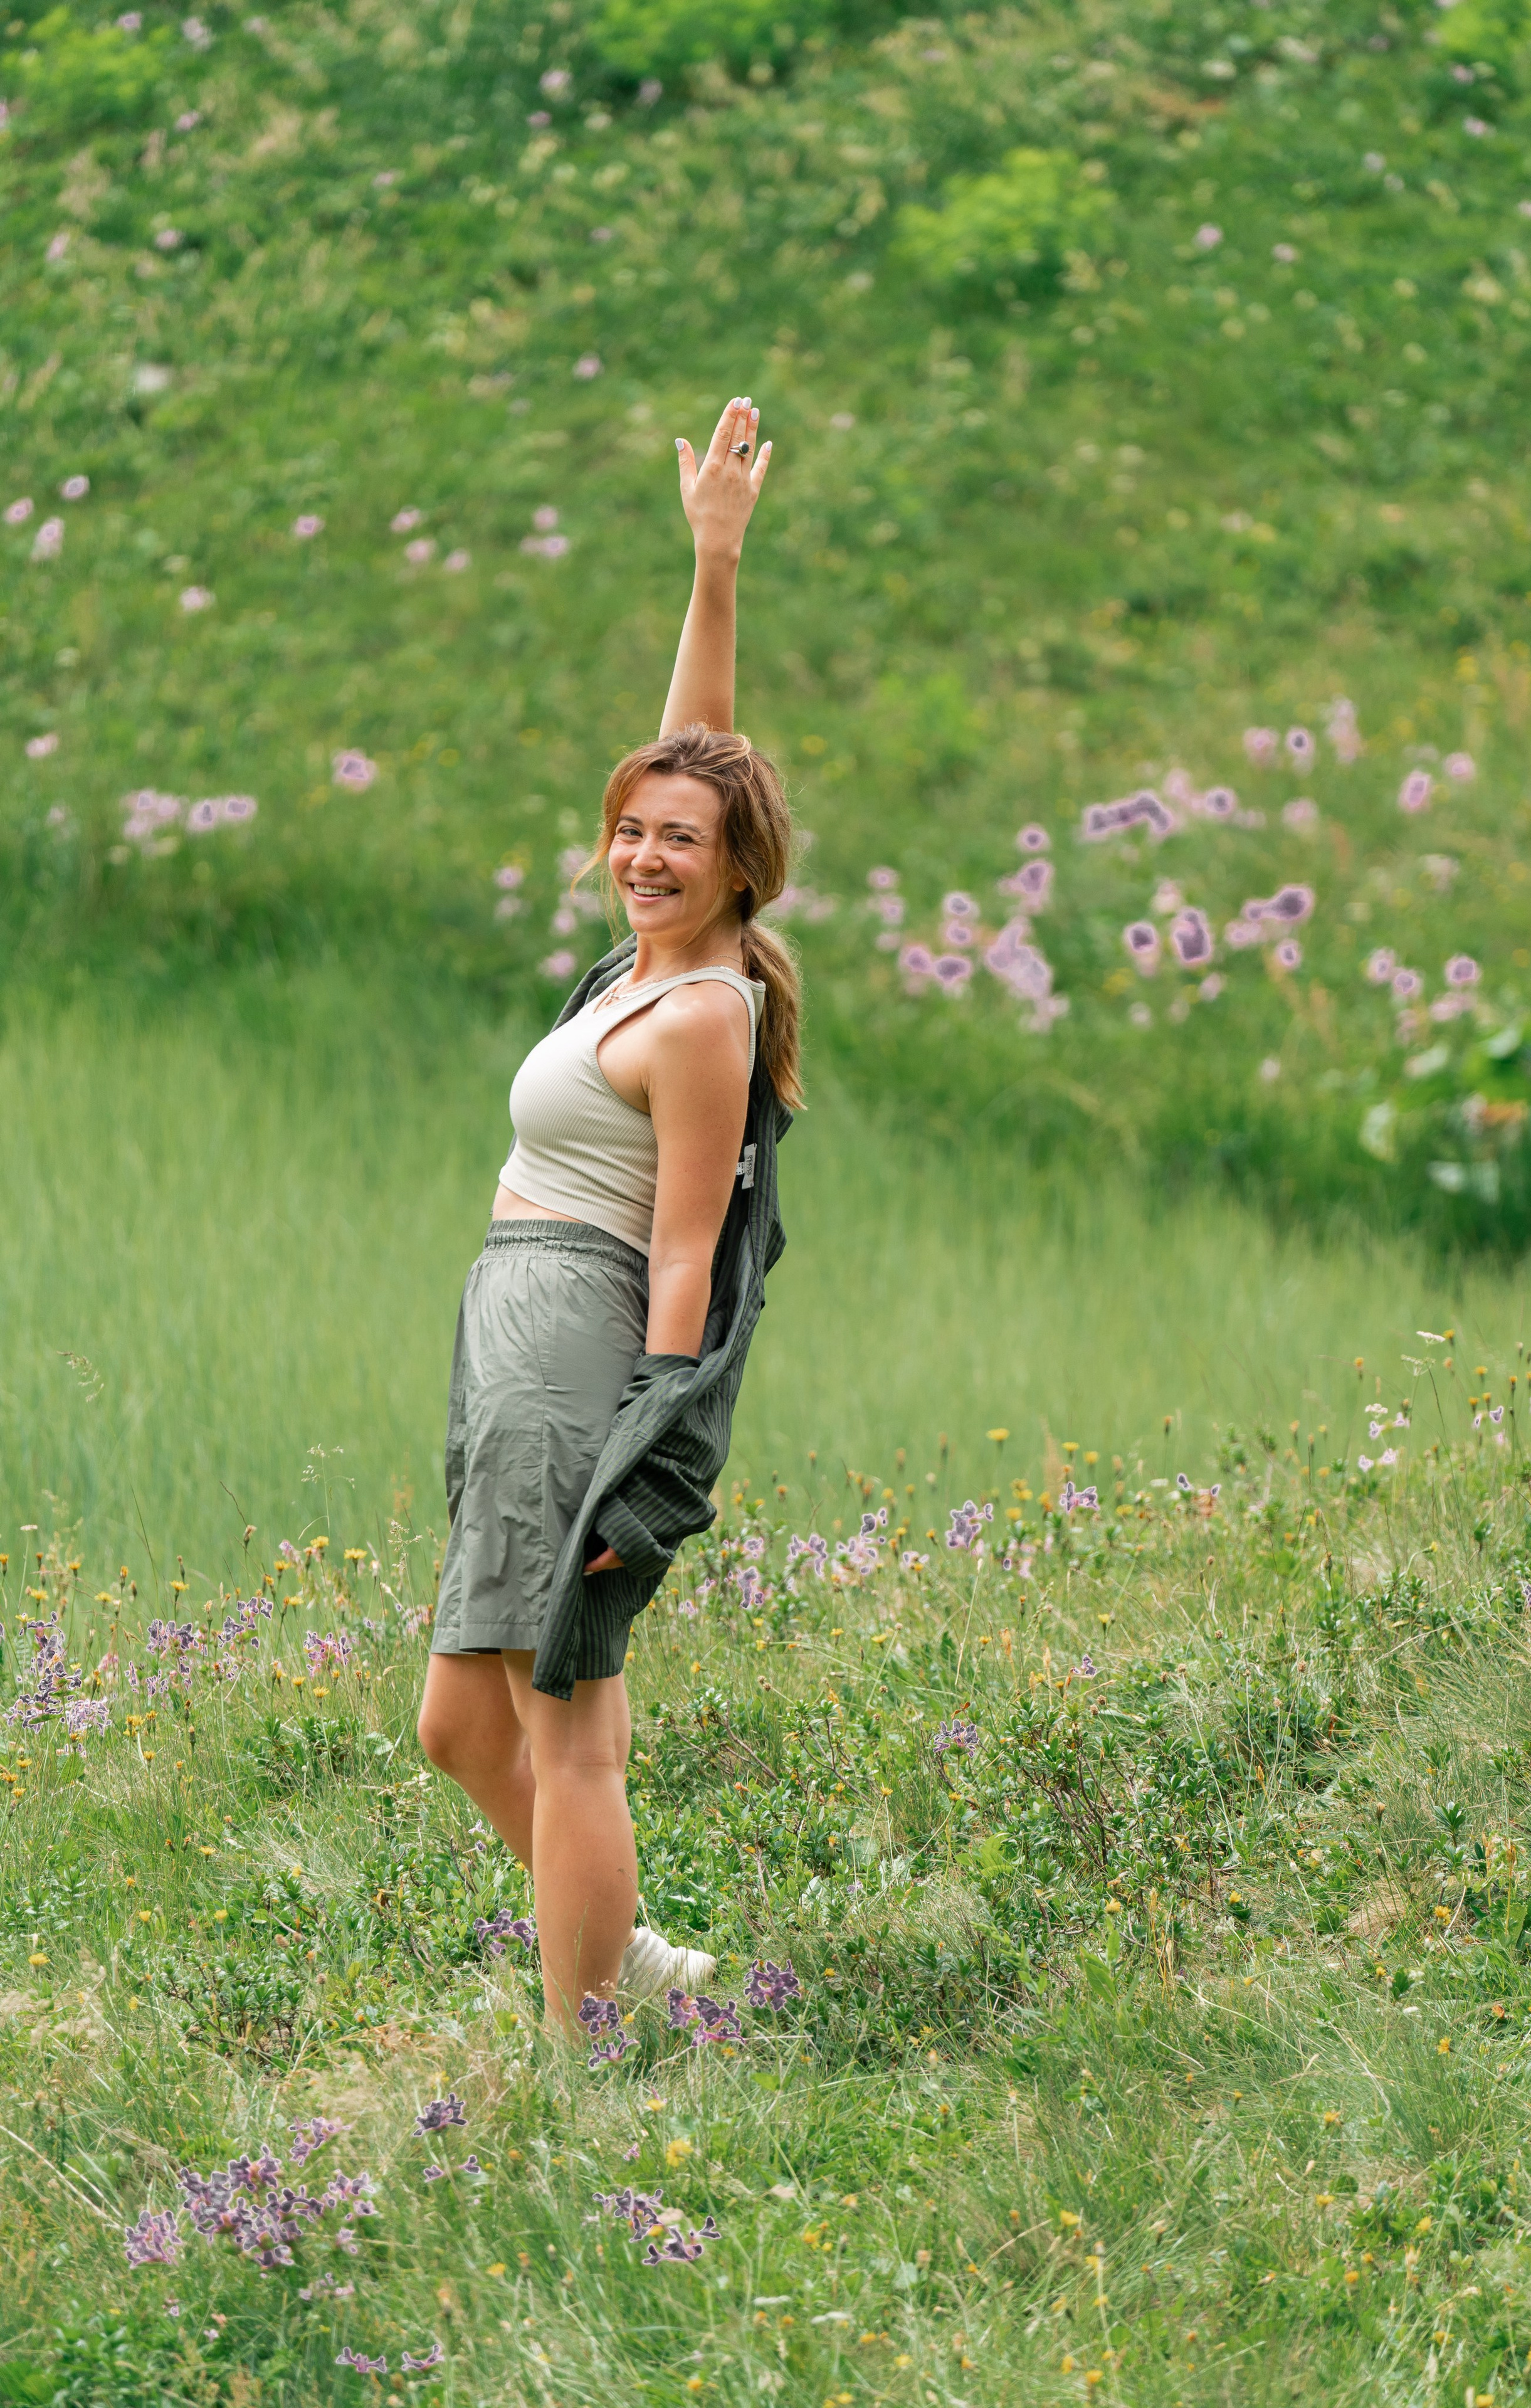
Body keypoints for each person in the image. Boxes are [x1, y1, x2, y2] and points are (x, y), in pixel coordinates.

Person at [416, 396, 801, 2037]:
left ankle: (585, 2055)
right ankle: (630, 1963)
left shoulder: (708, 1012)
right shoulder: (646, 965)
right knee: (460, 1725)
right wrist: (713, 563)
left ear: (737, 873)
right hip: (518, 1346)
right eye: (632, 829)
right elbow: (697, 757)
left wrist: (643, 1441)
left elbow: (685, 1247)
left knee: (566, 1723)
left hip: (581, 1355)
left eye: (679, 843)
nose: (646, 851)